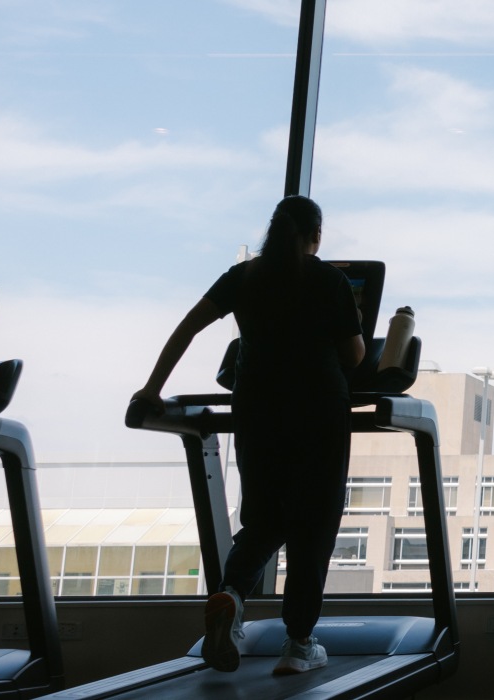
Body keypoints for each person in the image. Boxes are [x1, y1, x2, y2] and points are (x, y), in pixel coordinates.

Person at [132, 195, 364, 676]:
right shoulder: (329, 280)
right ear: (314, 237)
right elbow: (354, 354)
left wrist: (152, 389)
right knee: (312, 527)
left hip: (257, 411)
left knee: (264, 520)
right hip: (318, 412)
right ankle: (298, 644)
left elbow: (187, 328)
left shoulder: (245, 276)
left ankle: (232, 596)